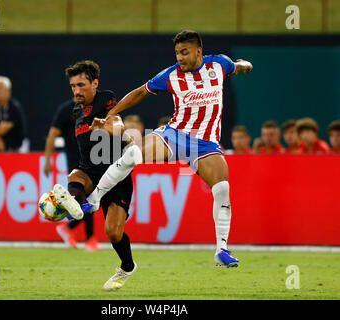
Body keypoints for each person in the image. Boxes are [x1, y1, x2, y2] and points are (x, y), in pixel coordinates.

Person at [81, 30, 253, 268]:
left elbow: (237, 66)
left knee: (222, 189)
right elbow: (140, 93)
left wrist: (245, 65)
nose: (180, 57)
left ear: (198, 51)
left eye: (184, 52)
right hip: (174, 135)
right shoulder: (170, 75)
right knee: (132, 154)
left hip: (205, 144)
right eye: (177, 53)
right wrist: (111, 114)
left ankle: (221, 249)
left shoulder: (219, 64)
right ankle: (95, 198)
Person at [51, 60, 136, 290]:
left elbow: (118, 127)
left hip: (116, 174)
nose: (76, 91)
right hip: (89, 170)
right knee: (75, 176)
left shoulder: (105, 98)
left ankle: (127, 266)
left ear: (94, 83)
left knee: (113, 232)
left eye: (81, 85)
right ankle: (74, 205)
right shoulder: (76, 109)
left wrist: (106, 127)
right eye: (72, 86)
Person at [43, 98, 99, 251]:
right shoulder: (66, 109)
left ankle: (69, 228)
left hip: (94, 159)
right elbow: (52, 134)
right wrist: (47, 160)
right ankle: (89, 238)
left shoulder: (96, 106)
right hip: (76, 162)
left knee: (91, 198)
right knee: (88, 196)